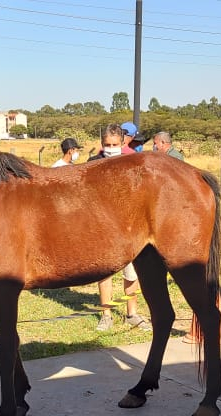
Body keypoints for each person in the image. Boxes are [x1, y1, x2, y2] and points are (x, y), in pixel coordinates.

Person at [88, 123, 148, 331]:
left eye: (114, 144)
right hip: (102, 229)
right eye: (107, 144)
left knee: (132, 273)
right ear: (101, 143)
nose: (110, 148)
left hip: (130, 228)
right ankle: (106, 315)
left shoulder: (133, 162)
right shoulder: (93, 163)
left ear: (123, 142)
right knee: (105, 273)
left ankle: (132, 313)